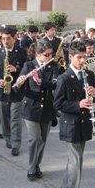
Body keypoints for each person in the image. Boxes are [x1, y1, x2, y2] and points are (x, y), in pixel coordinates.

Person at [53, 41, 95, 188]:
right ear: (70, 57)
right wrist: (77, 105)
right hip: (71, 123)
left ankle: (66, 186)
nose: (82, 61)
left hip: (85, 122)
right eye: (79, 57)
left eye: (84, 57)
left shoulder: (89, 75)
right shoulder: (64, 78)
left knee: (75, 158)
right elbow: (58, 104)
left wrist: (93, 94)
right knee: (76, 159)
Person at [16, 40, 58, 180]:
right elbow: (18, 87)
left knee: (43, 140)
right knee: (35, 139)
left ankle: (37, 165)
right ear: (38, 54)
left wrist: (41, 82)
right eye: (47, 55)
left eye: (51, 54)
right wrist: (21, 82)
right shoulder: (28, 65)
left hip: (47, 107)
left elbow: (55, 84)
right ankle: (31, 167)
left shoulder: (53, 65)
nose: (50, 57)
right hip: (31, 107)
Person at [0, 27, 27, 155]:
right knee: (4, 117)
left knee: (15, 118)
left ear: (14, 37)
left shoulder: (22, 52)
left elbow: (27, 68)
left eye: (8, 38)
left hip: (17, 90)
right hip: (2, 91)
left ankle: (16, 143)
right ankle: (7, 137)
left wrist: (17, 69)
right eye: (3, 39)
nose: (5, 41)